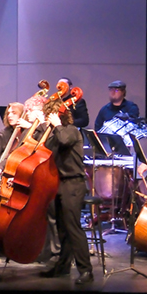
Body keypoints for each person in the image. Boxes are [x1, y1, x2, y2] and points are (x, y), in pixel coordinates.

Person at [36, 94, 94, 284]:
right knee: (62, 227)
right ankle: (62, 267)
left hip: (73, 184)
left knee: (73, 226)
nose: (47, 119)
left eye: (49, 115)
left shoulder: (71, 130)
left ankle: (86, 270)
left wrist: (57, 124)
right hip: (57, 183)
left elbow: (64, 141)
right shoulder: (54, 134)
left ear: (59, 114)